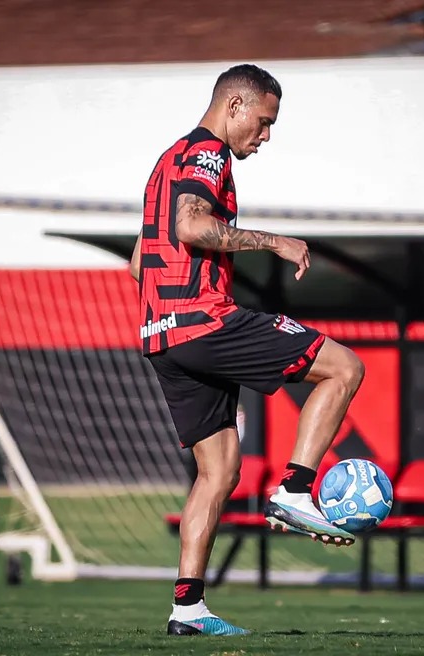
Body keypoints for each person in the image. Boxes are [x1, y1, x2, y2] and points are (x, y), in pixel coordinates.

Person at [128, 64, 365, 637]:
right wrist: (275, 242)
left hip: (161, 336)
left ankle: (187, 609)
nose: (265, 136)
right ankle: (296, 488)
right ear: (233, 105)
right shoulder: (208, 154)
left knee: (218, 471)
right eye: (263, 122)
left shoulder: (167, 161)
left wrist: (172, 313)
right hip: (204, 323)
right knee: (344, 367)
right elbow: (190, 227)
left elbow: (141, 260)